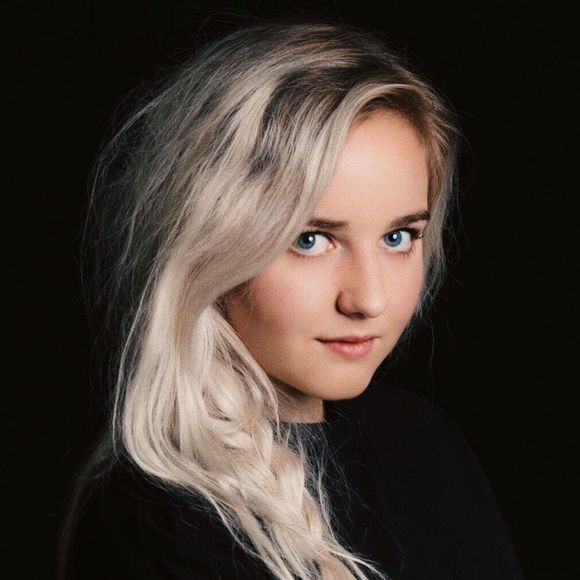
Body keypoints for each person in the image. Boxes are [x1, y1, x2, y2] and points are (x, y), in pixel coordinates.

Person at [57, 20, 525, 580]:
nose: (369, 299)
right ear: (207, 244)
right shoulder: (158, 518)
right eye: (310, 240)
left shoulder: (423, 446)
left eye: (398, 237)